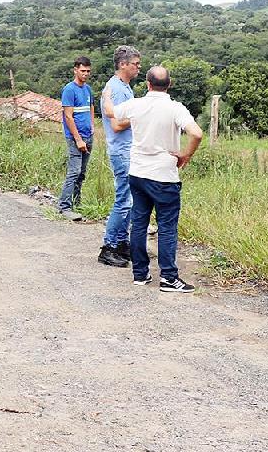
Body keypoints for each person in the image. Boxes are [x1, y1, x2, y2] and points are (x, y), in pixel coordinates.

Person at [110, 65, 204, 293]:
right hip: (163, 176)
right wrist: (186, 155)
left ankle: (140, 274)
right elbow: (197, 133)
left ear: (148, 84)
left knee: (139, 223)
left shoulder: (136, 104)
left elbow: (113, 112)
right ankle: (169, 278)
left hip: (138, 173)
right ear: (169, 84)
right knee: (167, 227)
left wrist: (105, 95)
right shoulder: (175, 108)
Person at [97, 45, 142, 268]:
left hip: (127, 149)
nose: (138, 68)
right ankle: (109, 246)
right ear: (123, 64)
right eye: (135, 64)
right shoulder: (116, 89)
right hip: (122, 151)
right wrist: (141, 117)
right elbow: (116, 124)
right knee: (123, 201)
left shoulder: (123, 88)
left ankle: (122, 243)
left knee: (130, 200)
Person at [57, 56, 94, 220]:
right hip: (75, 138)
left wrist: (92, 126)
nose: (85, 74)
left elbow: (91, 107)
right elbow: (68, 117)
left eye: (88, 71)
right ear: (75, 70)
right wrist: (78, 139)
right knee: (74, 172)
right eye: (83, 71)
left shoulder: (88, 89)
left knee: (82, 173)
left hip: (88, 136)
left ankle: (76, 203)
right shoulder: (69, 90)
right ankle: (64, 206)